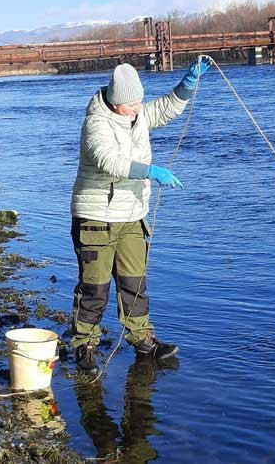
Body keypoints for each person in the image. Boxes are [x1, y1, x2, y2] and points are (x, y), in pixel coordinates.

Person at [68, 56, 209, 371]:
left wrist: (188, 83)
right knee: (95, 288)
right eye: (132, 103)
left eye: (139, 102)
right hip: (96, 218)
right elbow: (110, 162)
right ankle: (84, 344)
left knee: (134, 282)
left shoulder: (137, 114)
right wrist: (152, 171)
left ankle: (142, 339)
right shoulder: (96, 123)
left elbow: (165, 108)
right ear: (117, 102)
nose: (138, 107)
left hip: (133, 215)